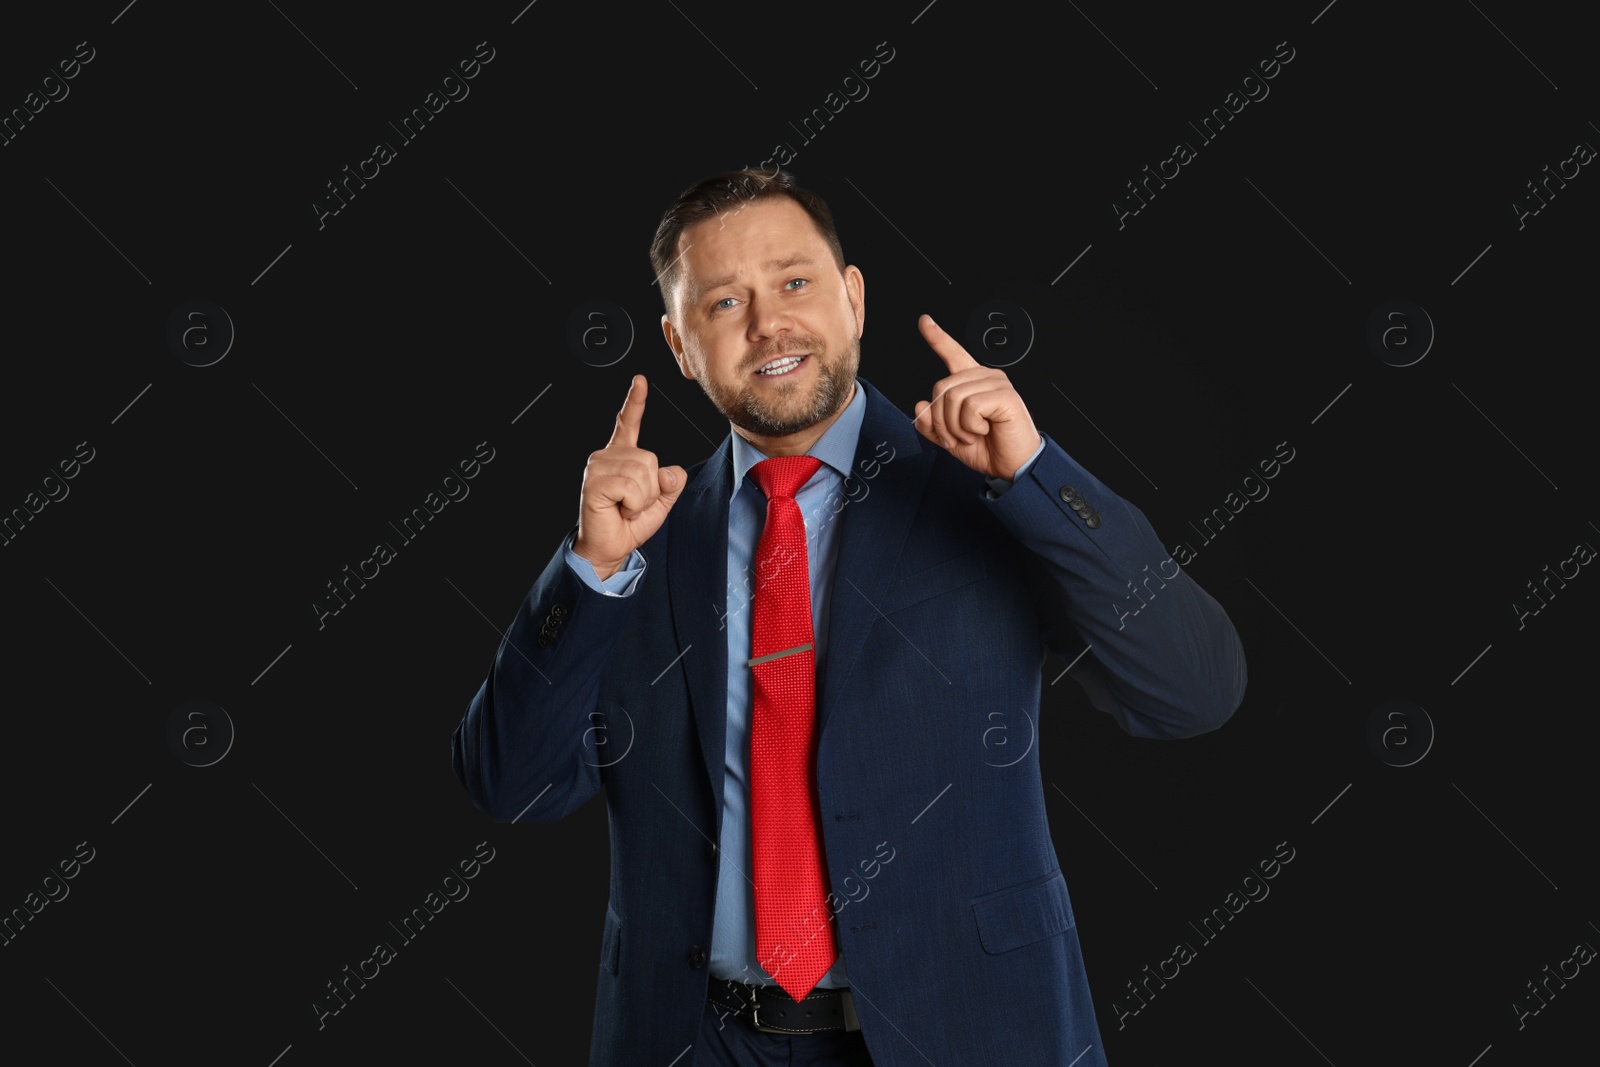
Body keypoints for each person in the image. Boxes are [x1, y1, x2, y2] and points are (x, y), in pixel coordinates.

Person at [451, 167, 1247, 1067]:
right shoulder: (637, 544)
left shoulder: (986, 489)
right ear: (680, 345)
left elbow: (1195, 689)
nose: (767, 324)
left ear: (853, 298)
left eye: (794, 282)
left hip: (969, 1034)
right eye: (723, 304)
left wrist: (1036, 476)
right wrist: (590, 571)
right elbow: (510, 784)